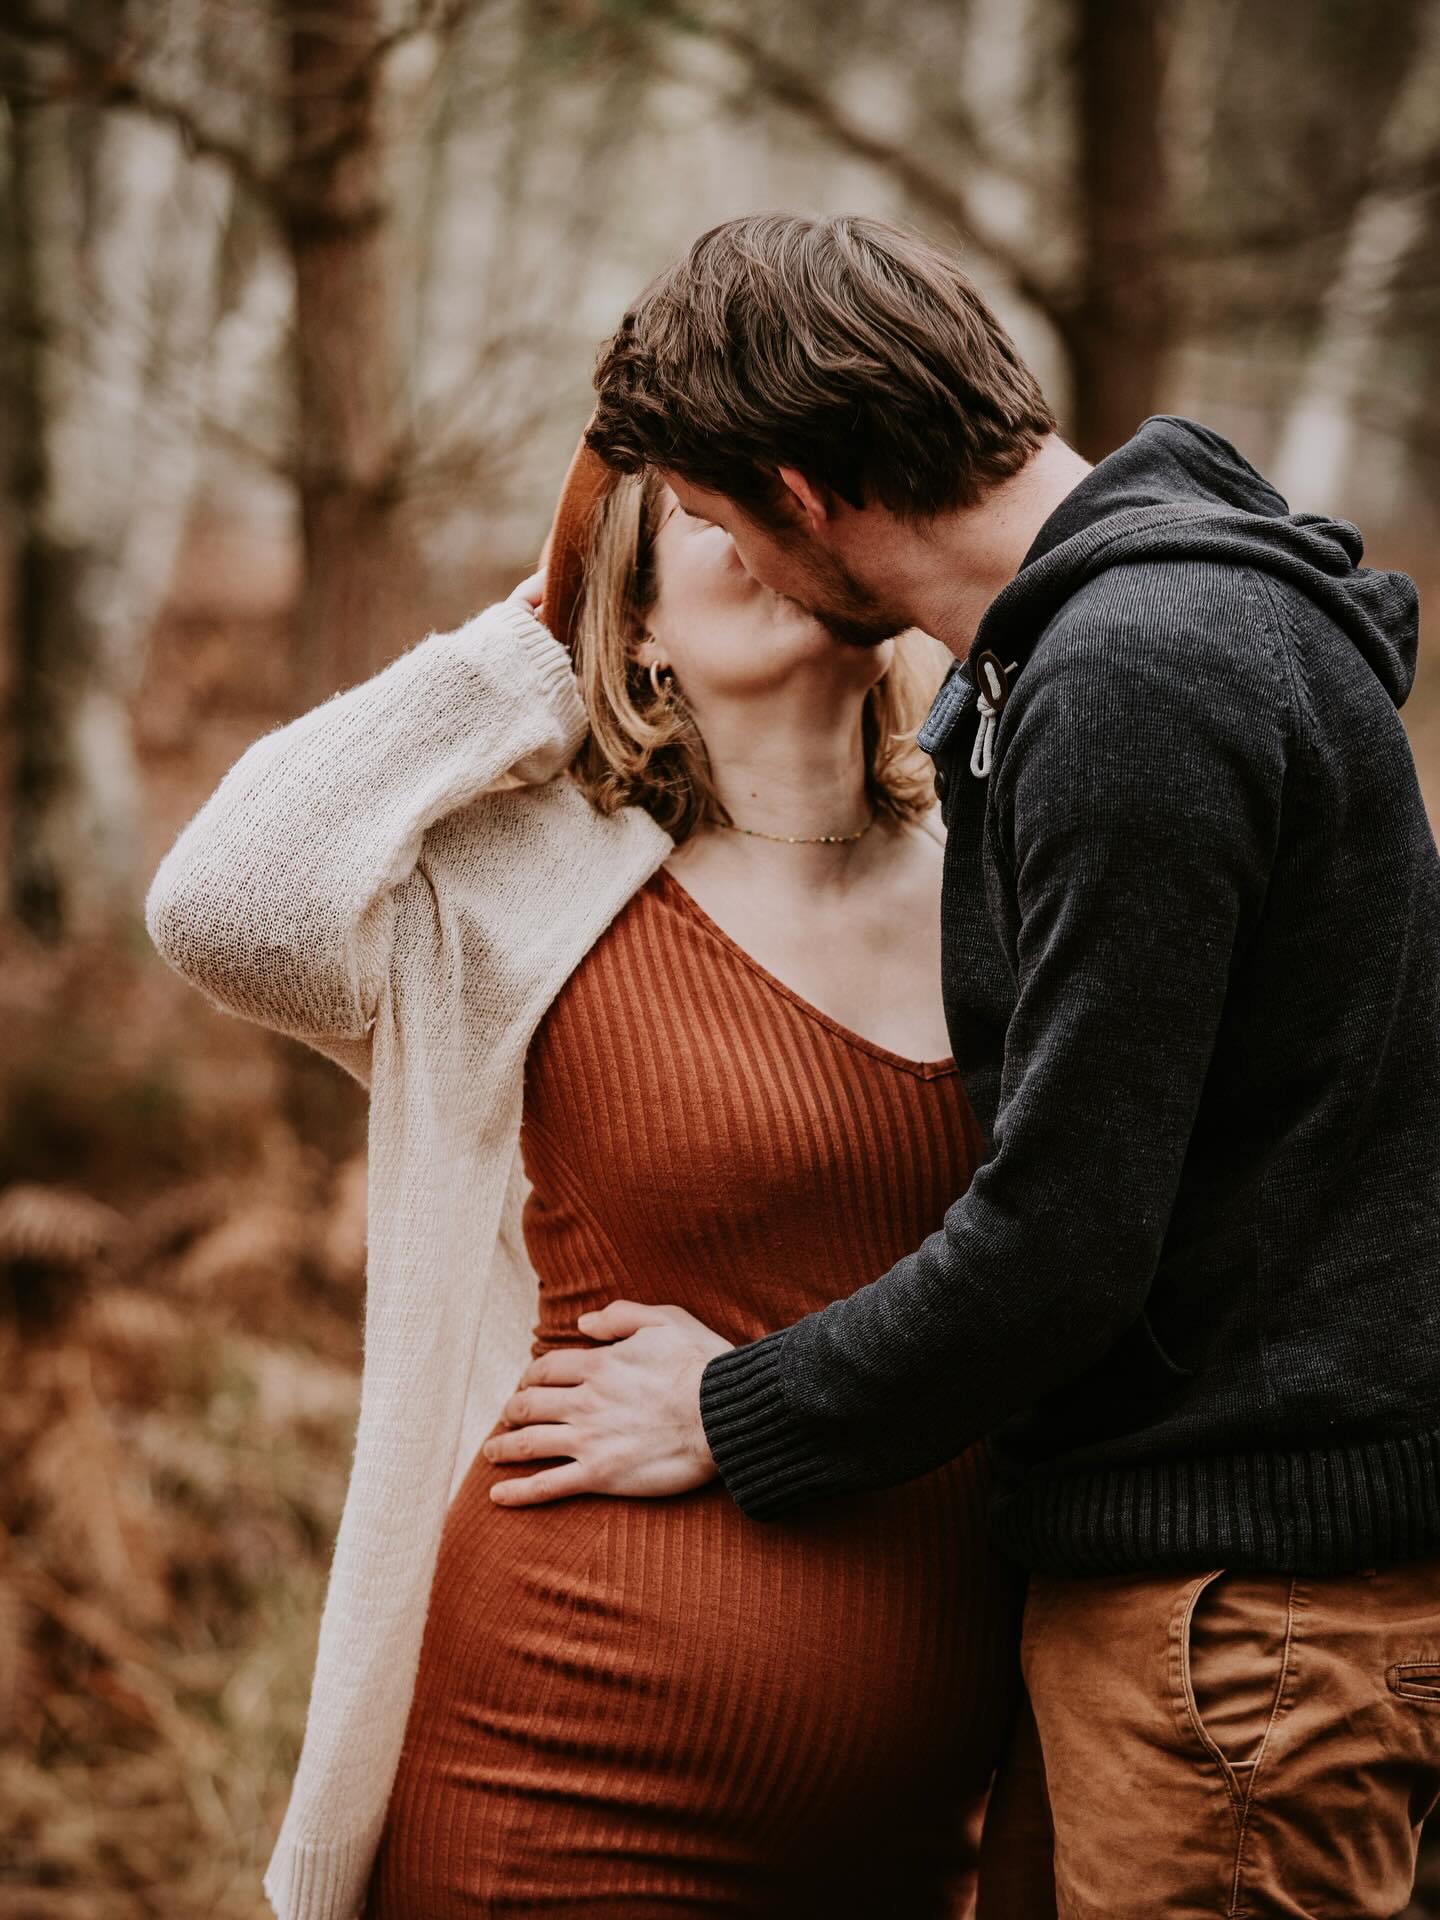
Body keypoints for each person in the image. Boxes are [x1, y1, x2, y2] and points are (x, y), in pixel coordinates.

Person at [489, 211, 1440, 1920]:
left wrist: (728, 1405)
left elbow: (1065, 1240)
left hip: (1245, 1629)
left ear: (795, 489)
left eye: (713, 524)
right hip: (1196, 1606)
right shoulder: (1126, 643)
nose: (743, 570)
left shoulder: (1137, 674)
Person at [145, 440, 1043, 1918]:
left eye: (802, 492)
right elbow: (225, 903)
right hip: (570, 1781)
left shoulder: (997, 879)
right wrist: (528, 645)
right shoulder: (544, 886)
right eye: (709, 510)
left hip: (913, 1826)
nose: (772, 523)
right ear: (629, 625)